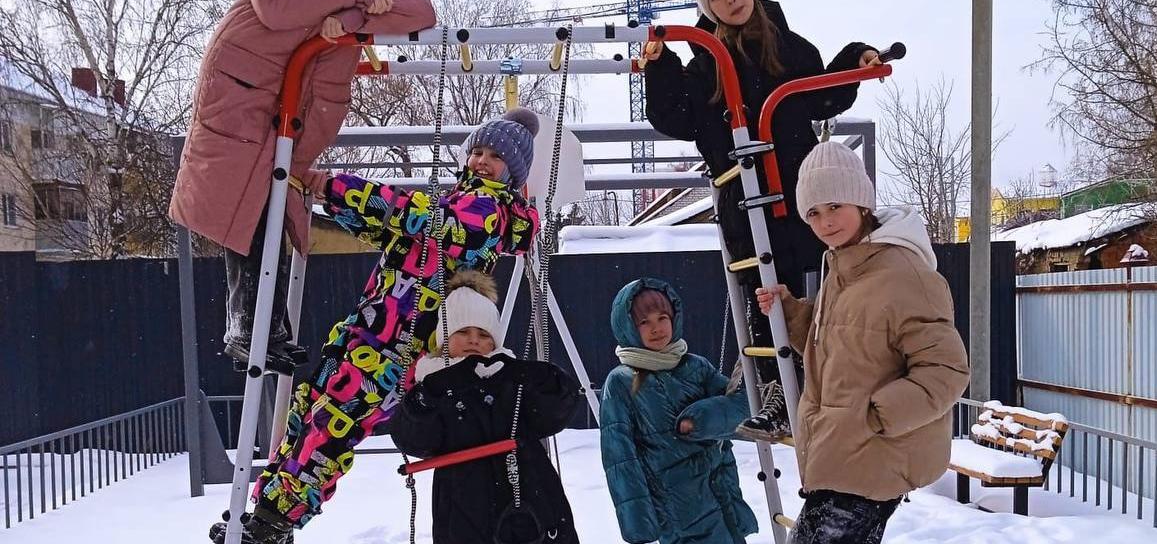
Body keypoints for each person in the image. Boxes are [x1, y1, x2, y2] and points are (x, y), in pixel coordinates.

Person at [209, 109, 540, 544]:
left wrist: (335, 186)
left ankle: (275, 521)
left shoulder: (487, 213)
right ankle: (270, 508)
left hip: (397, 352)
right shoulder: (457, 202)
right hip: (367, 334)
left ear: (511, 172)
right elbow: (394, 231)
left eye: (494, 156)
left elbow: (413, 215)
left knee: (331, 428)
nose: (480, 160)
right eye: (476, 150)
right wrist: (333, 202)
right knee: (309, 414)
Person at [169, 0, 437, 375]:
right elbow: (271, 2)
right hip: (245, 90)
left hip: (290, 102)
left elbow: (421, 12)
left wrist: (353, 14)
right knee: (251, 206)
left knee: (274, 200)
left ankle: (265, 327)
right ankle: (246, 326)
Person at [643, 0, 880, 441]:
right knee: (765, 294)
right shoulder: (705, 63)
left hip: (797, 194)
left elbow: (820, 94)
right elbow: (676, 117)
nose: (730, 0)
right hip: (744, 197)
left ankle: (821, 384)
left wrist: (855, 57)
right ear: (707, 8)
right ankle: (775, 391)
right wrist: (660, 66)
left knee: (810, 286)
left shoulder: (789, 48)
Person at [755, 141, 970, 544]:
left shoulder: (904, 272)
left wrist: (875, 416)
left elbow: (947, 370)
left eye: (835, 206)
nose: (825, 222)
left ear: (862, 203)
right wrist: (789, 311)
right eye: (814, 213)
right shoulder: (843, 267)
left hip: (872, 456)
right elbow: (835, 346)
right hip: (840, 454)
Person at [389, 270, 582, 544]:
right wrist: (428, 397)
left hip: (529, 492)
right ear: (444, 338)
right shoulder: (434, 384)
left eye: (483, 333)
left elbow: (554, 414)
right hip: (464, 502)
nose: (474, 340)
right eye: (463, 332)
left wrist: (544, 380)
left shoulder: (510, 377)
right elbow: (413, 439)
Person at [600, 278, 758, 544]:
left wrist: (701, 420)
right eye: (644, 322)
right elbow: (620, 456)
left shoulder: (695, 366)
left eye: (662, 317)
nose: (656, 328)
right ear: (628, 328)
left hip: (719, 489)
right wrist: (637, 521)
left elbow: (743, 408)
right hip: (674, 505)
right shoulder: (622, 381)